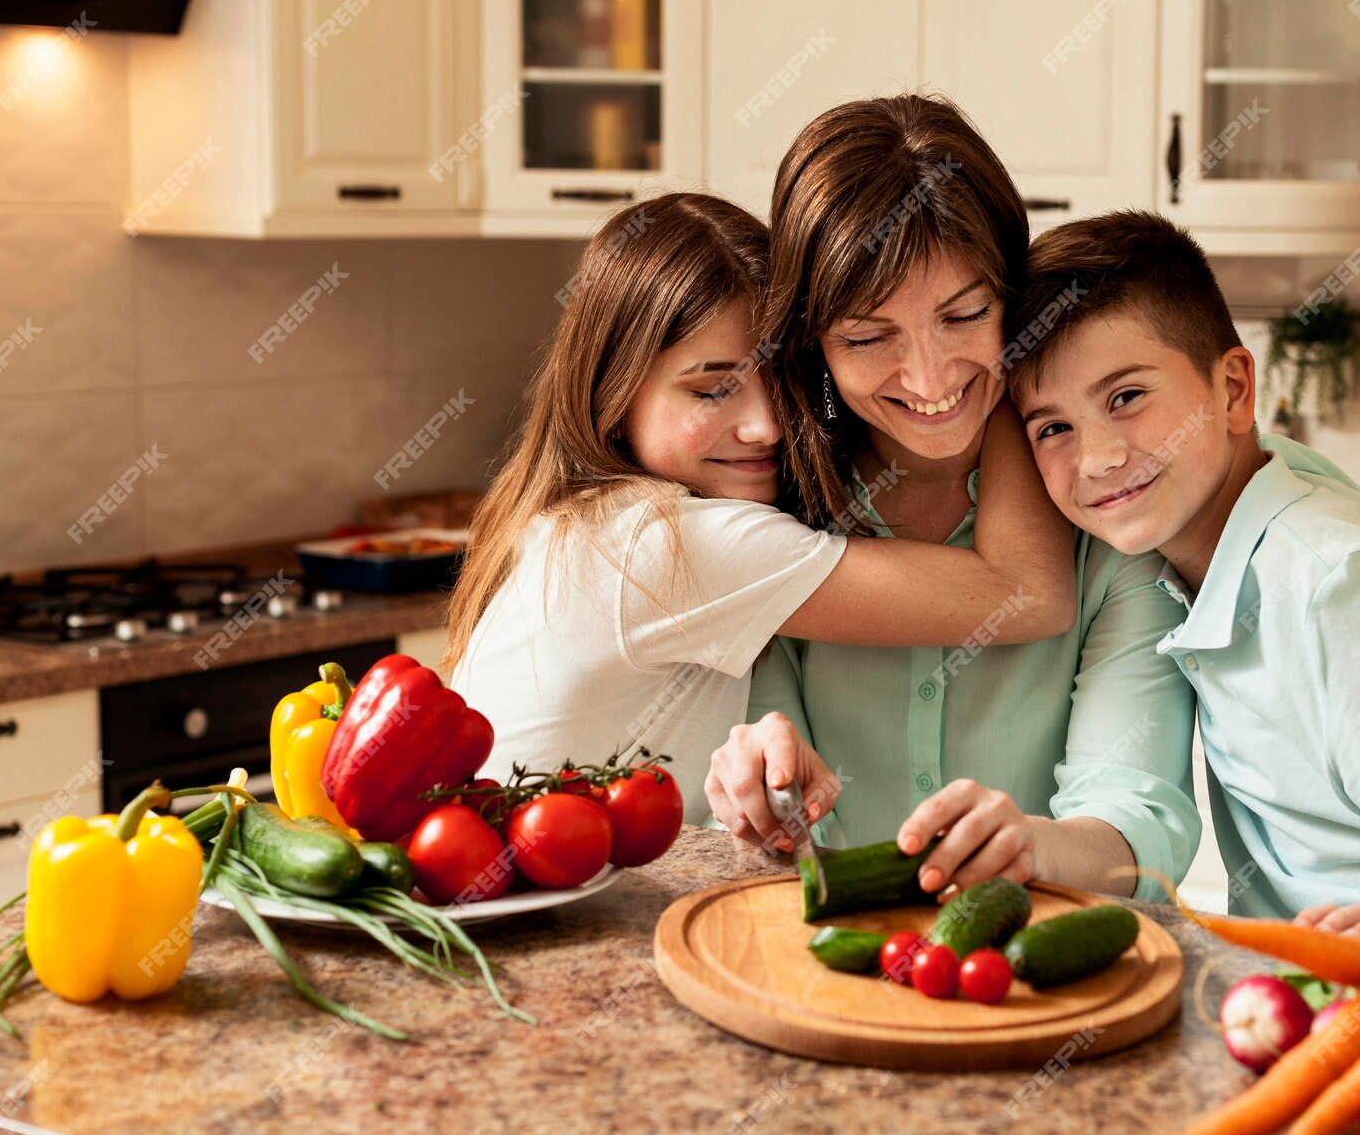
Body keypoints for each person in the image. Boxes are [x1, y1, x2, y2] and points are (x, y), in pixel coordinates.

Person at [1003, 209, 1360, 952]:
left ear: (1234, 389)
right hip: (1316, 977)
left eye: (1127, 397)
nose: (1100, 456)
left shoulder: (1330, 585)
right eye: (1052, 428)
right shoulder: (1235, 515)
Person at [445, 192, 1077, 821]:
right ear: (615, 391)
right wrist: (989, 381)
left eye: (779, 380)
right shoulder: (664, 543)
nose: (767, 426)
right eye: (713, 389)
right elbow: (1025, 593)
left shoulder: (577, 522)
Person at [705, 96, 1199, 899]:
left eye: (965, 314)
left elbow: (1142, 824)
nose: (930, 379)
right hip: (815, 971)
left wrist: (1037, 845)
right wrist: (748, 769)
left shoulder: (1108, 512)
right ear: (814, 344)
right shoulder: (771, 509)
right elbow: (749, 776)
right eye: (868, 338)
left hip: (1033, 983)